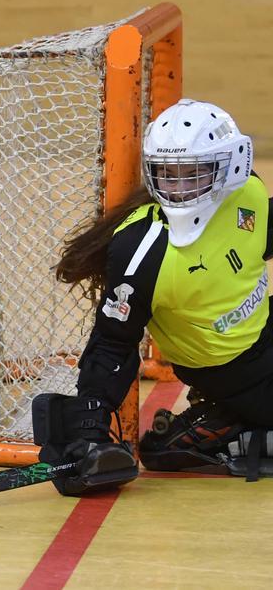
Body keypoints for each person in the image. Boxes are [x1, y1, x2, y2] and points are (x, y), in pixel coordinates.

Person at [37, 98, 273, 496]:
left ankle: (227, 422)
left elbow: (253, 242)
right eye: (167, 175)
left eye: (193, 175)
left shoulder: (248, 195)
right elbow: (112, 344)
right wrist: (90, 429)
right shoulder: (142, 249)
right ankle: (226, 423)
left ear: (230, 167)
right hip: (231, 372)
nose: (177, 190)